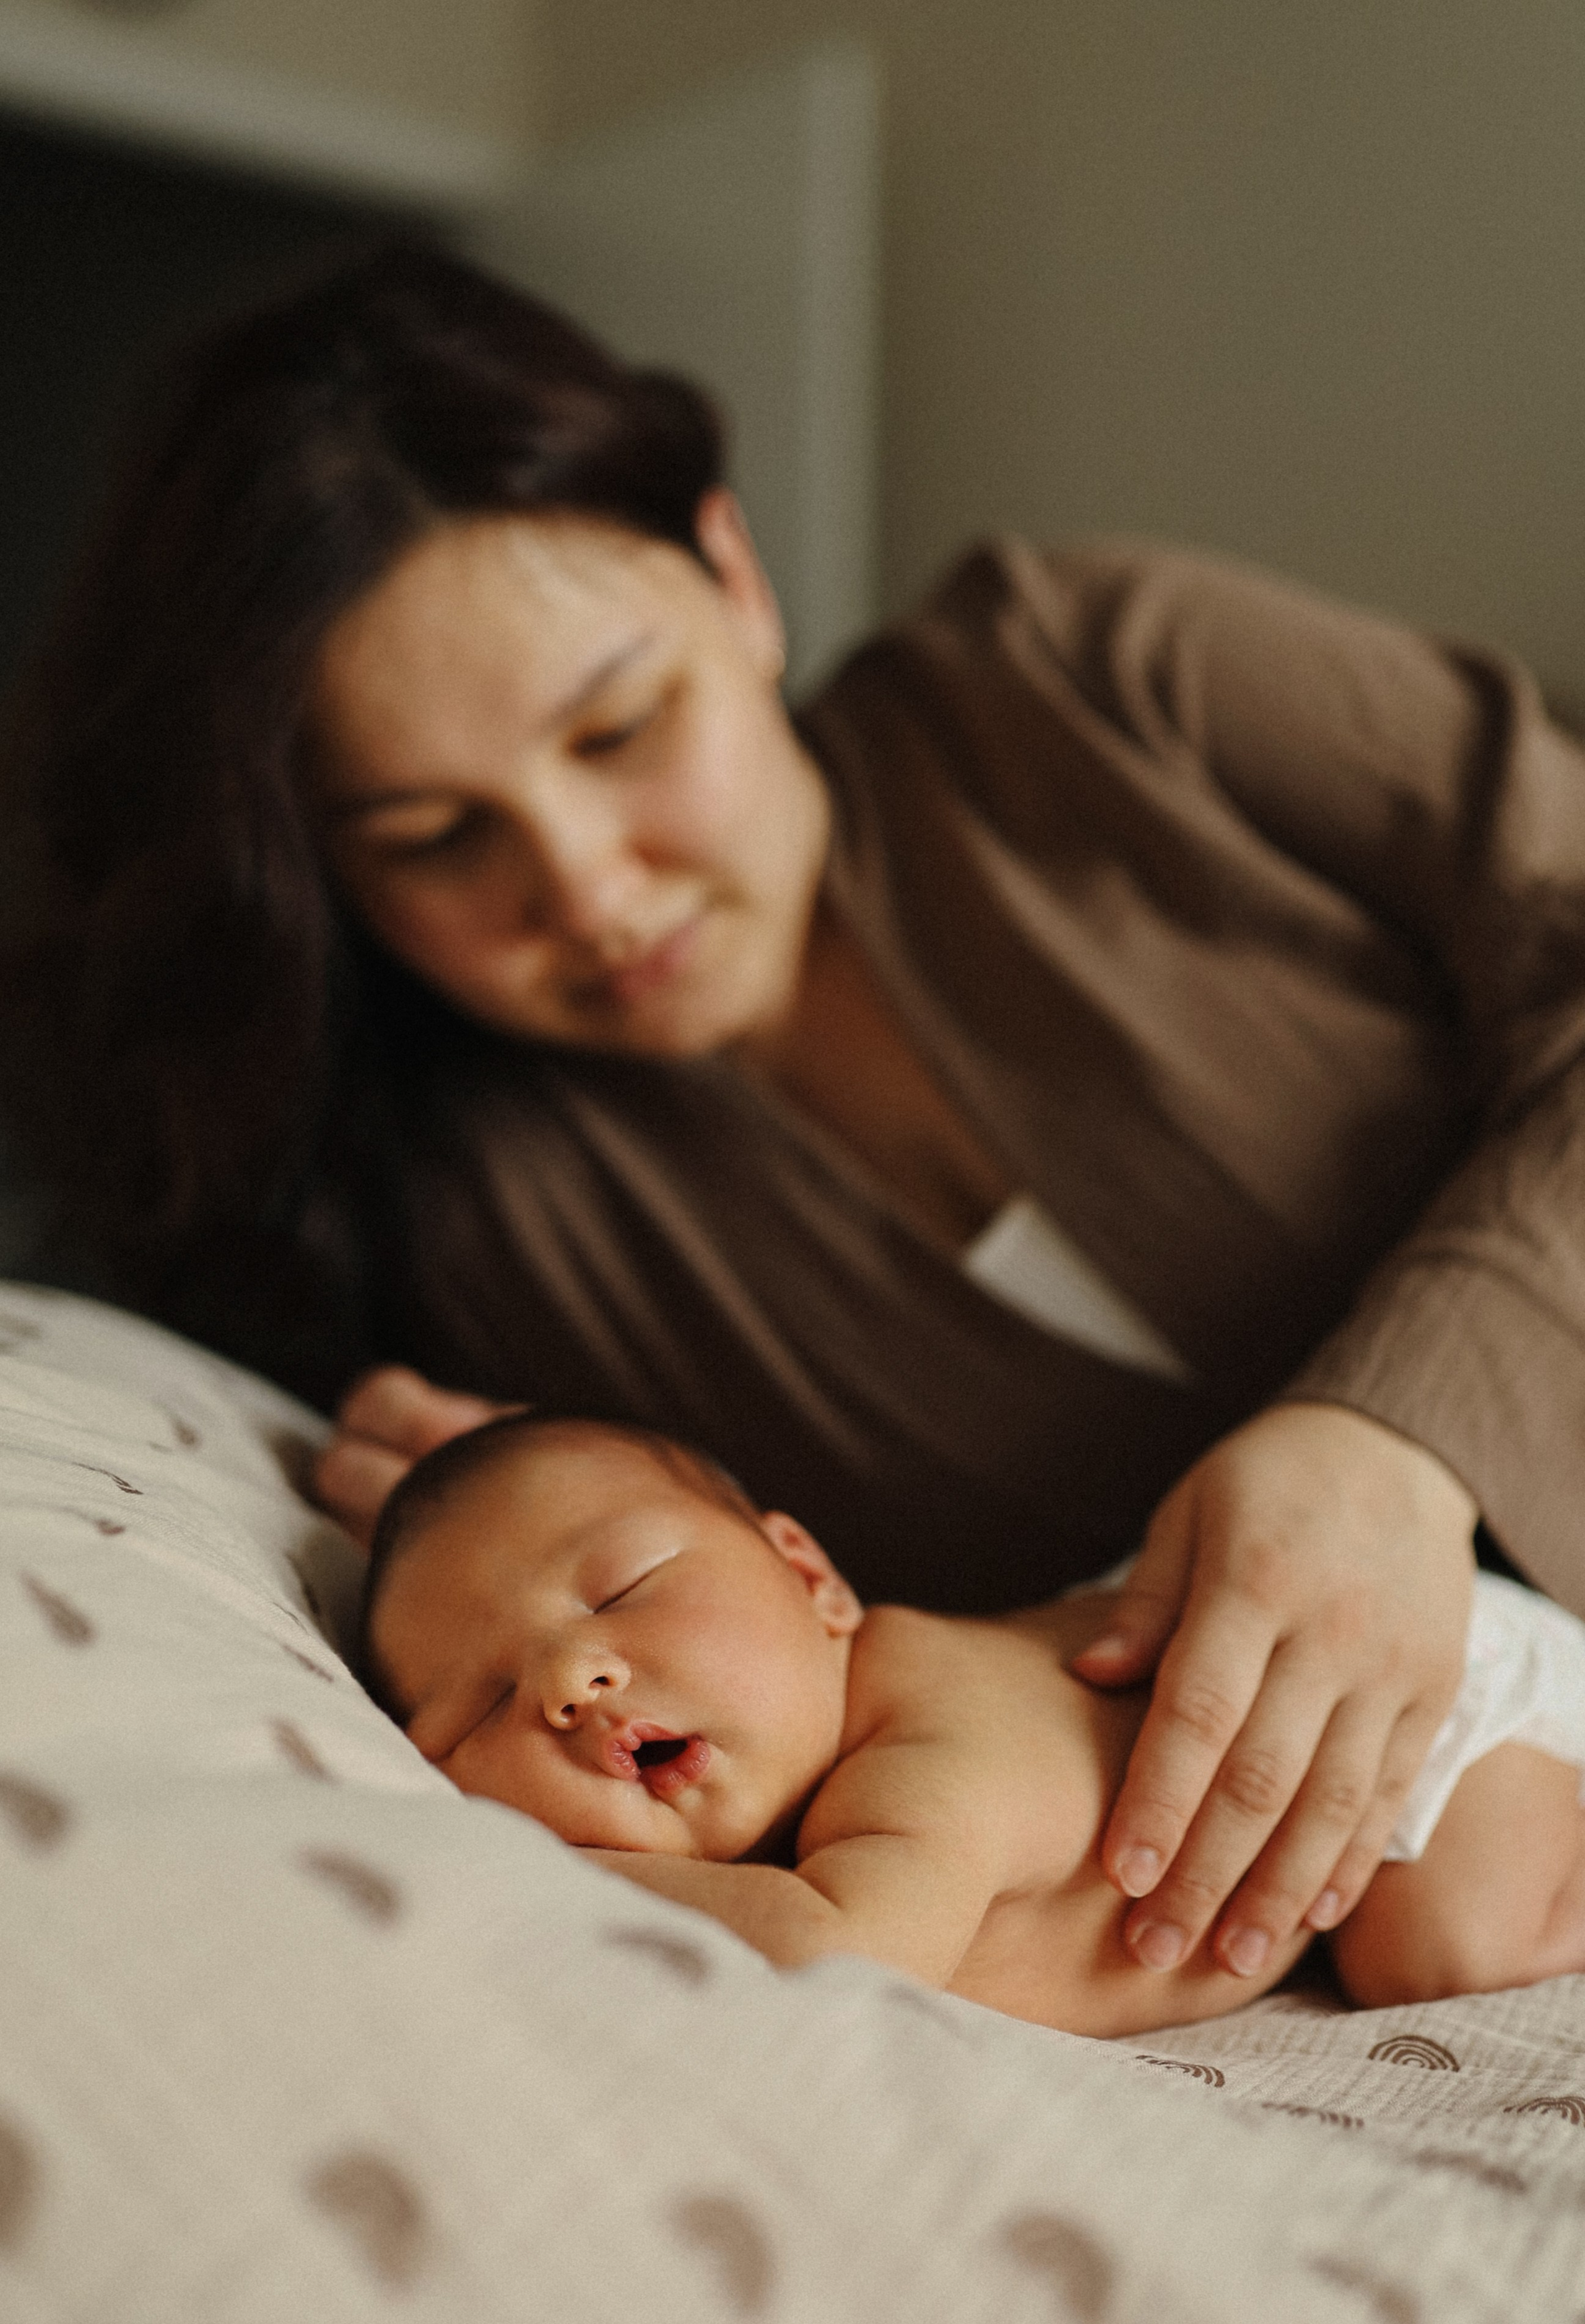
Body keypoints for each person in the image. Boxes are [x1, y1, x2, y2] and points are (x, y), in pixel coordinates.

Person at [6, 240, 1585, 1996]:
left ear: (734, 575)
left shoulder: (1092, 677)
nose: (593, 891)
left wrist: (1404, 1438)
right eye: (437, 838)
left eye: (621, 724)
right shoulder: (483, 1231)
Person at [360, 1411, 1585, 2037]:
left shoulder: (922, 1747)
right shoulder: (795, 1800)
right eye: (480, 1709)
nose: (567, 1680)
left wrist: (514, 1853)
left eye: (621, 1587)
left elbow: (836, 1960)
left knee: (1435, 1949)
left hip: (1395, 1680)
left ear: (809, 1577)